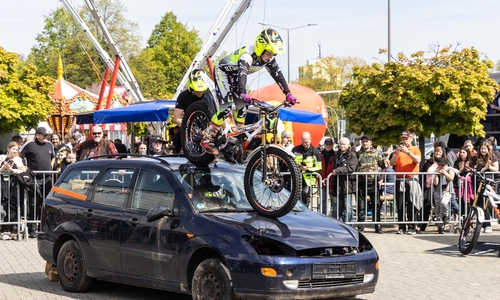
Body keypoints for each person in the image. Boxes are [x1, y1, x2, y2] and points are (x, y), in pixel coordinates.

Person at [201, 28, 297, 155]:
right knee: (226, 108)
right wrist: (242, 93)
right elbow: (242, 74)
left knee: (243, 109)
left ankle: (236, 134)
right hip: (224, 73)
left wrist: (288, 93)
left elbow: (278, 75)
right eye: (268, 53)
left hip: (236, 77)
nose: (270, 57)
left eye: (273, 54)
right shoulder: (247, 56)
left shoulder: (268, 59)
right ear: (260, 48)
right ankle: (207, 138)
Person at [20, 126, 55, 237]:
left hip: (48, 178)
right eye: (44, 135)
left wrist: (51, 167)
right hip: (35, 179)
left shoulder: (49, 144)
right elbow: (20, 155)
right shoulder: (30, 145)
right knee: (34, 203)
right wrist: (25, 167)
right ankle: (32, 229)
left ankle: (46, 228)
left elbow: (53, 157)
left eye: (47, 135)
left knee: (47, 204)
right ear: (37, 135)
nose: (46, 137)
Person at [389, 131, 422, 235]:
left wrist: (407, 152)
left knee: (412, 204)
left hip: (411, 180)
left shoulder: (415, 149)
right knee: (400, 205)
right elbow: (391, 163)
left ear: (411, 139)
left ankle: (412, 227)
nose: (404, 140)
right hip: (400, 180)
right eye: (403, 138)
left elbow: (417, 160)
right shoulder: (397, 150)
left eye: (406, 138)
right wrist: (397, 153)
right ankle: (401, 227)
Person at [356, 135, 385, 233]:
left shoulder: (376, 154)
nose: (365, 143)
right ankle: (360, 227)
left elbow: (383, 167)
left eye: (367, 141)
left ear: (370, 142)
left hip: (373, 183)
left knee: (376, 205)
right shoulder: (357, 154)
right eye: (363, 141)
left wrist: (381, 179)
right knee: (361, 206)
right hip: (361, 183)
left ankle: (378, 226)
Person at [0, 141, 27, 239]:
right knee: (4, 206)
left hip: (14, 185)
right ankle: (5, 228)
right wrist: (4, 168)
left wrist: (12, 170)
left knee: (13, 207)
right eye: (13, 149)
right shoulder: (2, 157)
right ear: (8, 149)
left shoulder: (19, 159)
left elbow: (24, 171)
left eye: (16, 149)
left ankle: (9, 229)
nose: (15, 151)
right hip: (3, 184)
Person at [419, 145, 446, 232]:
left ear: (443, 154)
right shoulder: (428, 163)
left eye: (440, 152)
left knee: (438, 207)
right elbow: (422, 174)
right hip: (428, 187)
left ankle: (440, 226)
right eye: (436, 151)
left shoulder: (444, 163)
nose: (438, 153)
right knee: (426, 206)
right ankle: (423, 225)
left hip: (439, 188)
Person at [473, 140, 498, 233]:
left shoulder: (493, 157)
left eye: (485, 149)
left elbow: (496, 169)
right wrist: (484, 168)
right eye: (482, 148)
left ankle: (488, 225)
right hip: (480, 182)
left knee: (486, 203)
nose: (483, 150)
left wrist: (489, 167)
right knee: (479, 204)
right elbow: (476, 169)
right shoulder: (477, 157)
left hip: (489, 182)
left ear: (488, 149)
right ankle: (482, 225)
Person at [331, 137, 358, 223]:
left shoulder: (352, 154)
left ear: (348, 145)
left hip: (348, 184)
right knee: (340, 206)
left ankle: (350, 225)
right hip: (339, 184)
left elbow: (351, 168)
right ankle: (343, 224)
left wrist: (338, 171)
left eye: (344, 144)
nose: (342, 146)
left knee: (348, 207)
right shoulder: (337, 154)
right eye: (340, 144)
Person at [292, 132, 322, 207]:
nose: (305, 144)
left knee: (305, 195)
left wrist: (308, 168)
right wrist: (297, 164)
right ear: (301, 140)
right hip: (297, 177)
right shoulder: (295, 150)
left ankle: (305, 209)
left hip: (308, 179)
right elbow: (290, 162)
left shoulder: (316, 152)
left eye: (306, 142)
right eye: (303, 142)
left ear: (310, 139)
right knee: (295, 197)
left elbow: (319, 167)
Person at [432, 157, 455, 234]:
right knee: (438, 210)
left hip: (447, 191)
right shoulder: (436, 171)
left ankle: (445, 216)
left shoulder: (450, 169)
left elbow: (451, 178)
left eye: (442, 165)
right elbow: (435, 183)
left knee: (444, 203)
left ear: (446, 165)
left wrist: (444, 172)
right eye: (439, 164)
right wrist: (436, 174)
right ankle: (440, 227)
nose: (441, 166)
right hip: (438, 191)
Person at [319, 137, 335, 215]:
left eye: (330, 144)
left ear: (332, 145)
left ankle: (335, 220)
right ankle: (323, 219)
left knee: (334, 202)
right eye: (327, 144)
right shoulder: (319, 154)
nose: (328, 145)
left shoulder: (336, 155)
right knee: (323, 202)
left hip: (332, 183)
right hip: (322, 182)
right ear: (324, 145)